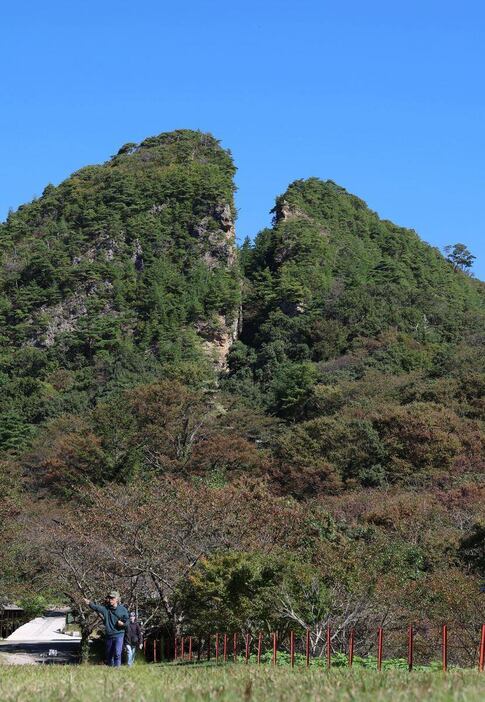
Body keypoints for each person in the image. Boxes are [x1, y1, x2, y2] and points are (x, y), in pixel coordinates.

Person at [83, 591, 129, 667]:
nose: (110, 600)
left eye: (112, 598)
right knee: (109, 654)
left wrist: (123, 624)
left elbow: (128, 621)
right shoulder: (106, 609)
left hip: (119, 634)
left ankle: (117, 670)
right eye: (109, 598)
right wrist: (89, 603)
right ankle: (111, 668)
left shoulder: (123, 609)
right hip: (109, 635)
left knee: (117, 653)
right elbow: (96, 607)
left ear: (117, 599)